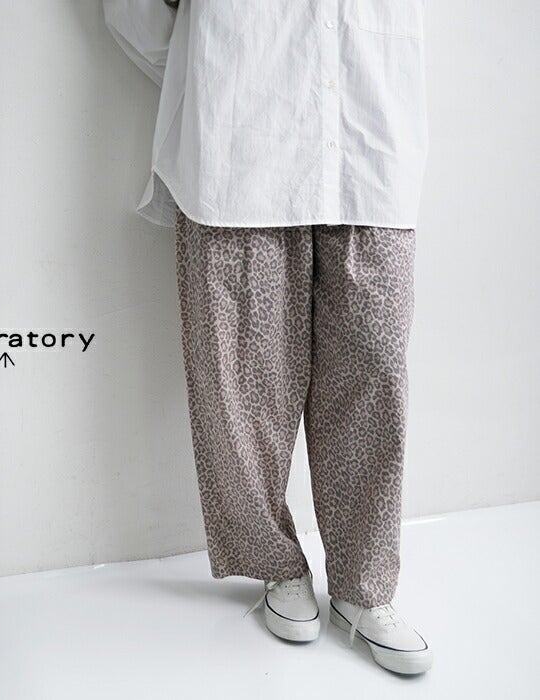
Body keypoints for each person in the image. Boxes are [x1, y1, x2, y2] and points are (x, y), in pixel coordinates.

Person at [103, 0, 433, 675]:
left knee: (374, 369)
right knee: (241, 385)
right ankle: (275, 563)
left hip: (372, 138)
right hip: (242, 138)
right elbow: (132, 9)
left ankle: (363, 587)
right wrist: (212, 65)